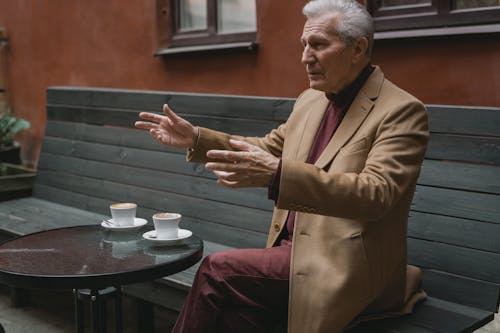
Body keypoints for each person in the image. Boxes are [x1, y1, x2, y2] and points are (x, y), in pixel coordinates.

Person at [135, 0, 429, 332]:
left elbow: (376, 194)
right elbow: (266, 148)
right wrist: (197, 139)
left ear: (358, 49)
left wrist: (277, 173)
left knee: (217, 271)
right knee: (233, 317)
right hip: (292, 253)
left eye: (318, 45)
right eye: (304, 45)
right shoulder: (311, 100)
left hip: (342, 263)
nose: (305, 56)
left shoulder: (401, 110)